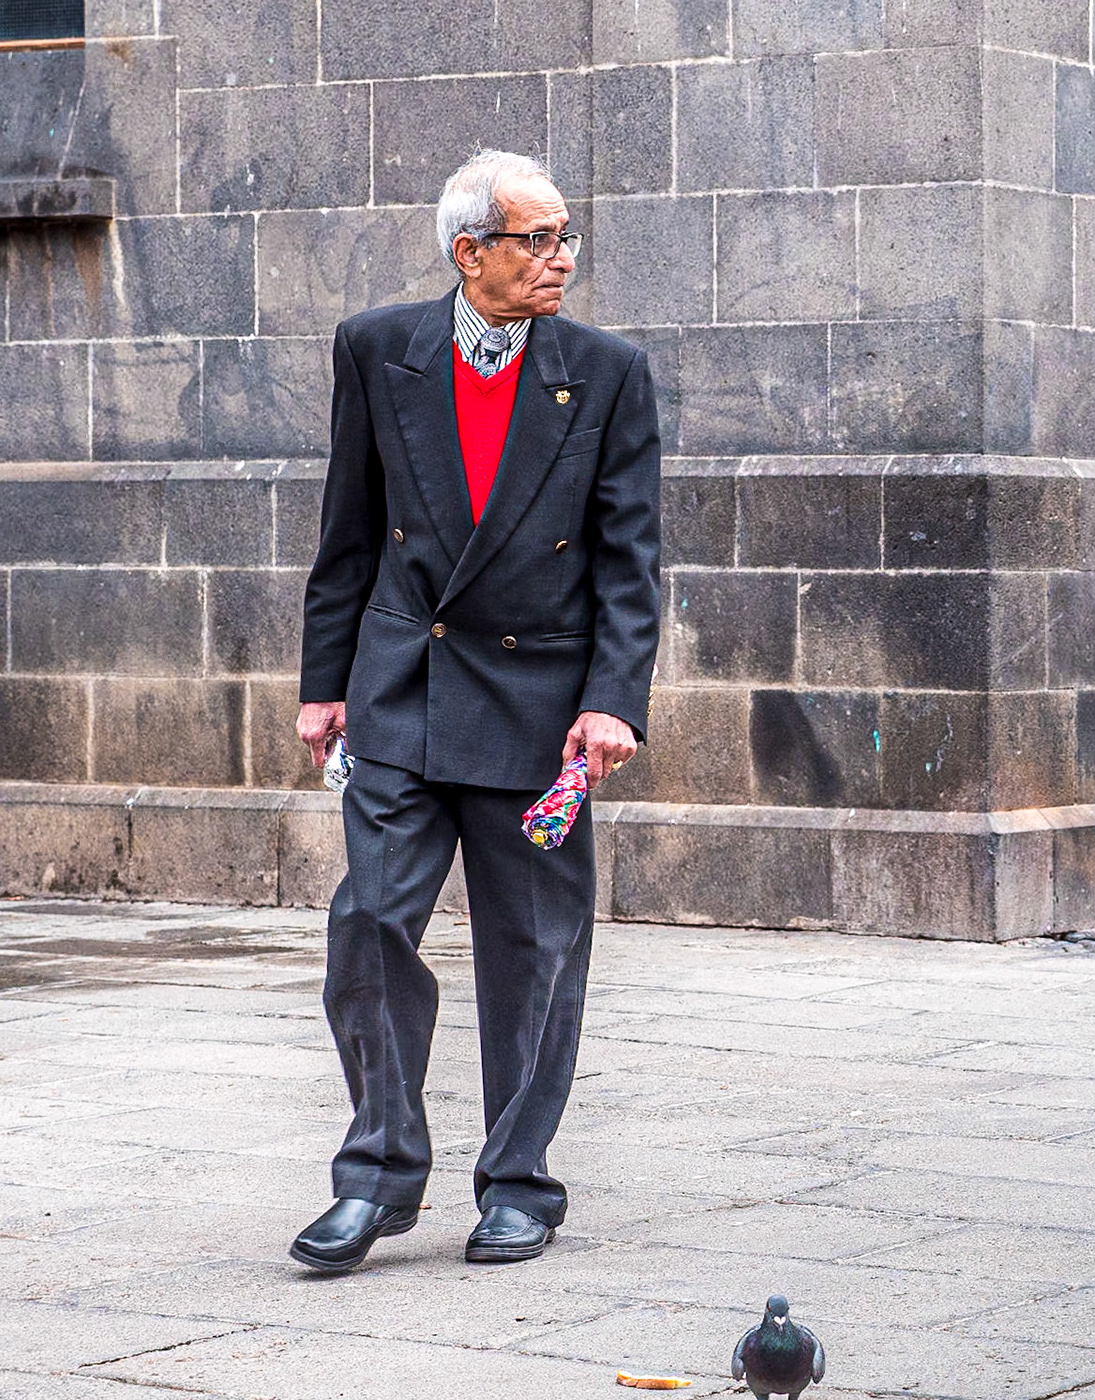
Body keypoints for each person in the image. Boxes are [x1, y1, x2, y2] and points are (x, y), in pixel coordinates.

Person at [290, 149, 661, 1271]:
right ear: (470, 252)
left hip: (540, 705)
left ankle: (517, 1180)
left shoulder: (605, 371)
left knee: (534, 950)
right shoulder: (377, 346)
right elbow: (347, 528)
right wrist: (323, 683)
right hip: (402, 686)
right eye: (536, 240)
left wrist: (612, 701)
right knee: (366, 923)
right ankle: (380, 1170)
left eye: (565, 239)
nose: (560, 260)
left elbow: (630, 558)